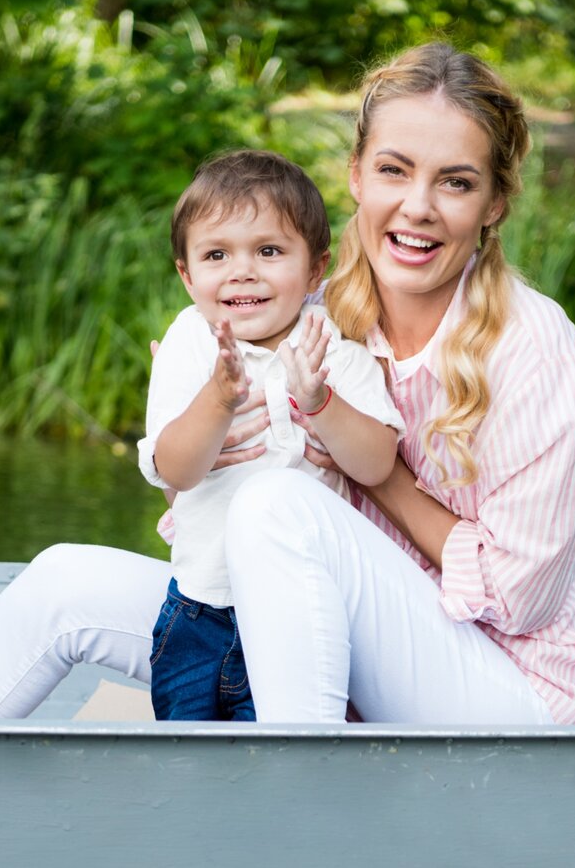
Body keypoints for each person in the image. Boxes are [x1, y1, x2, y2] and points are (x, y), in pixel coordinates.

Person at [0, 42, 575, 725]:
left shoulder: (533, 351)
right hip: (327, 642)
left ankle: (288, 799)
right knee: (64, 583)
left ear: (494, 204)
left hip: (500, 688)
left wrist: (380, 480)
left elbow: (520, 598)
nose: (418, 206)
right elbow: (197, 506)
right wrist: (201, 415)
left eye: (455, 182)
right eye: (395, 170)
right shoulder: (304, 315)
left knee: (277, 504)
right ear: (356, 175)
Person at [138, 149, 403, 721]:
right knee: (184, 761)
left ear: (314, 269)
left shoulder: (329, 342)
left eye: (268, 251)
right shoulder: (191, 342)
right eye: (216, 254)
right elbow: (176, 471)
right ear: (187, 276)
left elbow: (377, 463)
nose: (243, 271)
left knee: (273, 758)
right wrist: (218, 399)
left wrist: (319, 402)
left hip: (299, 615)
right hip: (198, 612)